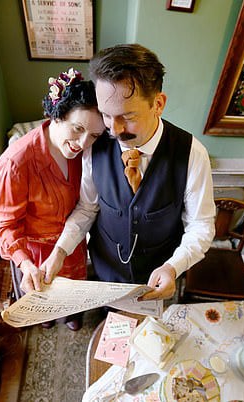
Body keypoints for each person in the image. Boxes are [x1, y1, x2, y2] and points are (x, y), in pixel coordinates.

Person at [43, 44, 216, 301]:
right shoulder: (95, 144)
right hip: (106, 272)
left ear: (158, 104)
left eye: (128, 116)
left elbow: (201, 225)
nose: (114, 130)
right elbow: (88, 208)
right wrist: (60, 250)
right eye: (106, 115)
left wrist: (173, 267)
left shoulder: (192, 153)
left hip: (160, 275)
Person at [0, 68, 106, 331]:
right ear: (57, 114)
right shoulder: (16, 163)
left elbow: (87, 206)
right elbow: (4, 226)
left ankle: (72, 314)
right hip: (35, 252)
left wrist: (64, 248)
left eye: (94, 135)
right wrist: (24, 262)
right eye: (77, 129)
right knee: (44, 300)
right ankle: (48, 317)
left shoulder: (86, 154)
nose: (82, 143)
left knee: (73, 296)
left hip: (72, 241)